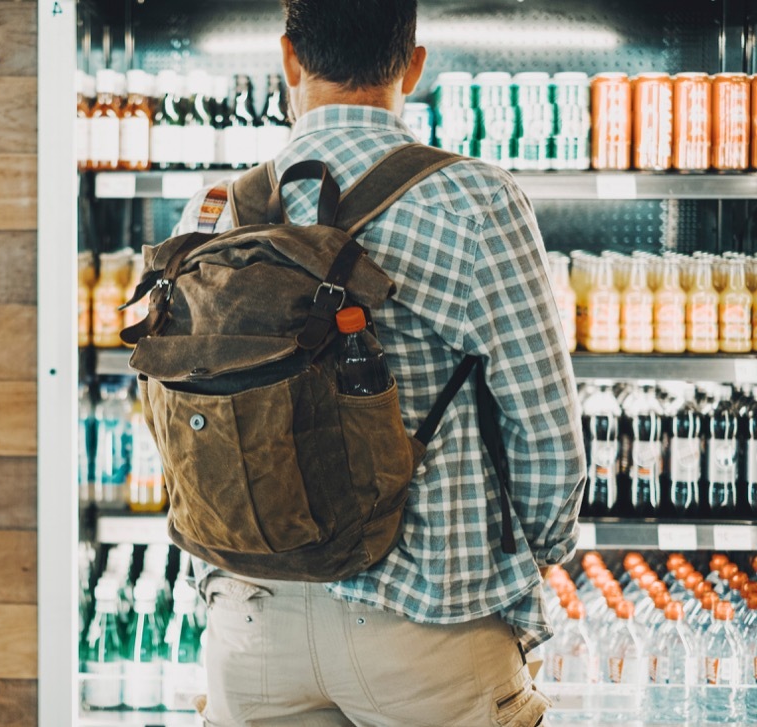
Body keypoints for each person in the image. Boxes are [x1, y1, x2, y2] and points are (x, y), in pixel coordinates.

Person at [169, 2, 587, 725]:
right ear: (413, 66)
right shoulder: (473, 200)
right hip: (426, 616)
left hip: (252, 619)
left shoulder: (214, 212)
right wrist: (533, 556)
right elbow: (546, 432)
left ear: (289, 59)